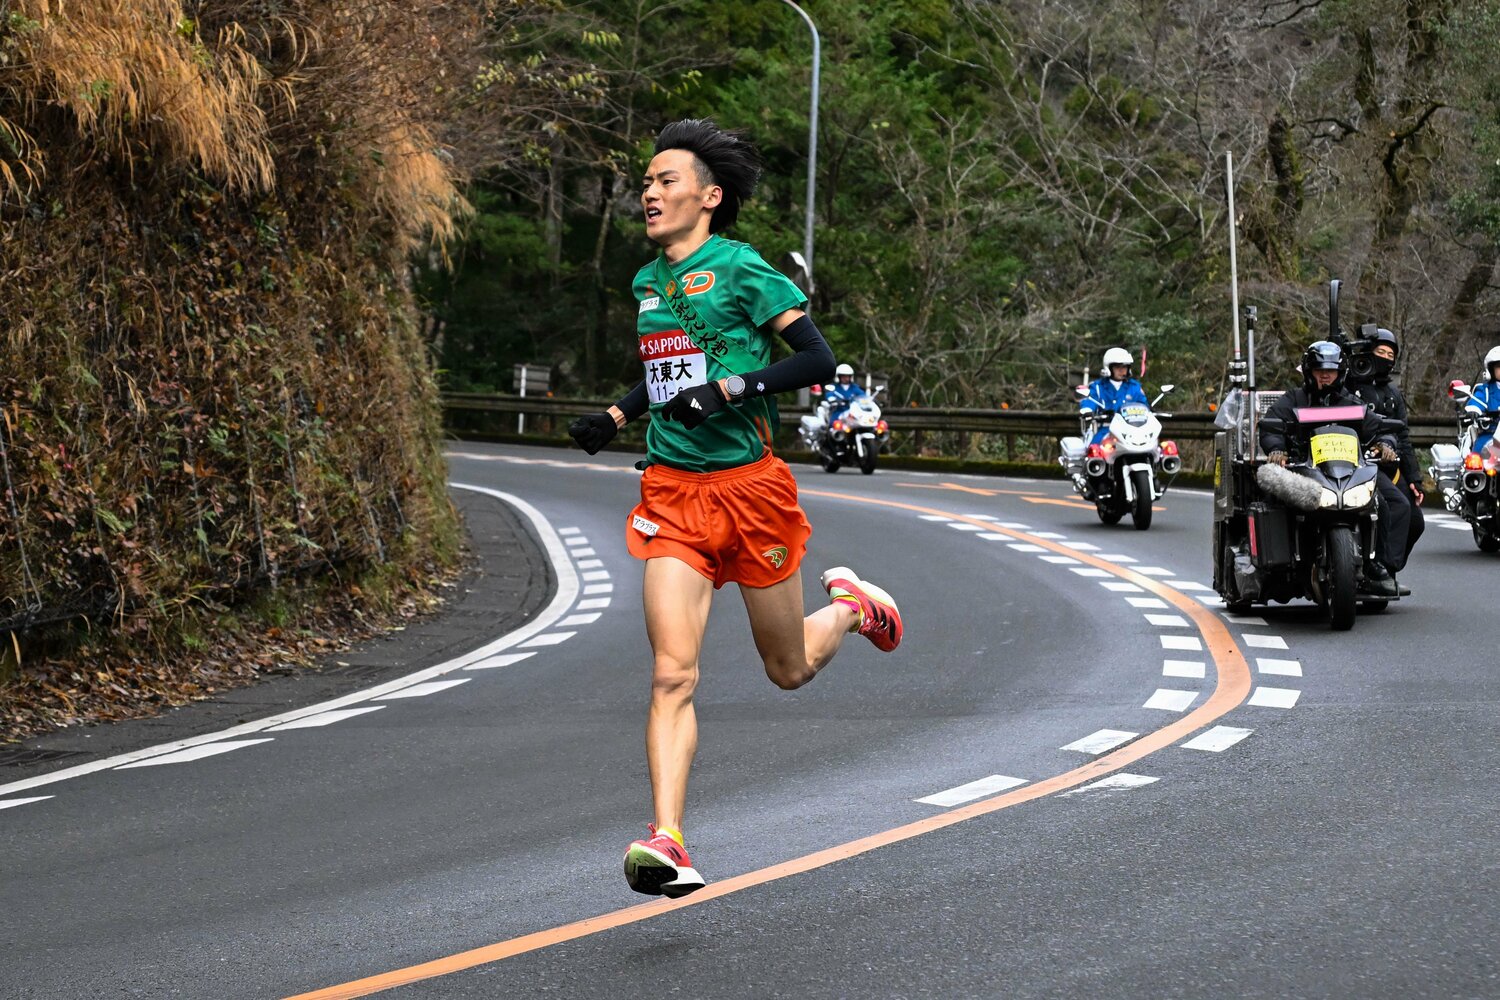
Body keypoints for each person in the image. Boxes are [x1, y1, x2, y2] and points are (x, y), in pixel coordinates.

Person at [566, 119, 904, 899]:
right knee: (669, 675)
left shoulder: (745, 271)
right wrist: (616, 418)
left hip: (751, 492)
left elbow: (816, 359)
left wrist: (733, 388)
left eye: (667, 181)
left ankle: (851, 607)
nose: (650, 193)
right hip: (672, 496)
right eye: (645, 183)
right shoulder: (648, 282)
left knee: (788, 670)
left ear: (709, 197)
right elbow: (664, 376)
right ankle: (669, 839)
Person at [1259, 340, 1404, 597]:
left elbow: (1380, 427)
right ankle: (1280, 569)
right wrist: (1277, 449)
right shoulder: (1293, 399)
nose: (1325, 375)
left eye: (1331, 371)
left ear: (1341, 373)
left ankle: (1377, 567)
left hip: (1350, 473)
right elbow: (1271, 426)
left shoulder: (1351, 403)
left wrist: (1385, 443)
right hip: (1306, 472)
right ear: (1308, 371)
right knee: (1276, 504)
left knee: (1384, 502)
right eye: (1319, 370)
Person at [1346, 328, 1424, 580]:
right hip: (1355, 462)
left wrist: (1414, 479)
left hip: (1389, 466)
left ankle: (1388, 567)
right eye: (1380, 351)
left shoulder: (1393, 394)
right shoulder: (1348, 385)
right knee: (1393, 508)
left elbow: (1402, 436)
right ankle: (1378, 571)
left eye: (1390, 354)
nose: (1385, 358)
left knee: (1415, 522)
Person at [1079, 347, 1150, 444]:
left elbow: (1143, 405)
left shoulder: (1134, 387)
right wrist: (1087, 409)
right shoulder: (1098, 387)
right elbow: (1090, 400)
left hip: (1132, 432)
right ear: (1109, 368)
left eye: (1124, 367)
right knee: (1095, 453)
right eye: (1118, 367)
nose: (1122, 370)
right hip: (1106, 430)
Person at [1463, 346, 1500, 453]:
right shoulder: (1486, 390)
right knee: (1479, 455)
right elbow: (1477, 400)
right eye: (1499, 366)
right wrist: (1473, 410)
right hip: (1490, 435)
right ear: (1491, 370)